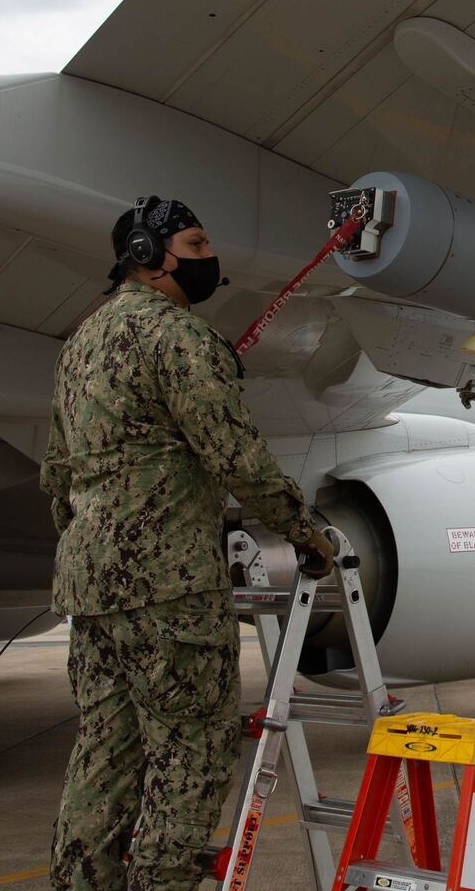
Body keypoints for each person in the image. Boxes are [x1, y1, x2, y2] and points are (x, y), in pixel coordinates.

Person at [44, 195, 336, 891]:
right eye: (198, 246)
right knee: (193, 753)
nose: (212, 263)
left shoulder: (81, 343)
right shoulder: (176, 338)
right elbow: (236, 457)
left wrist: (96, 551)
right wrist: (305, 533)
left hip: (91, 589)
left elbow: (56, 471)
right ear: (150, 257)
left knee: (104, 756)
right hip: (168, 588)